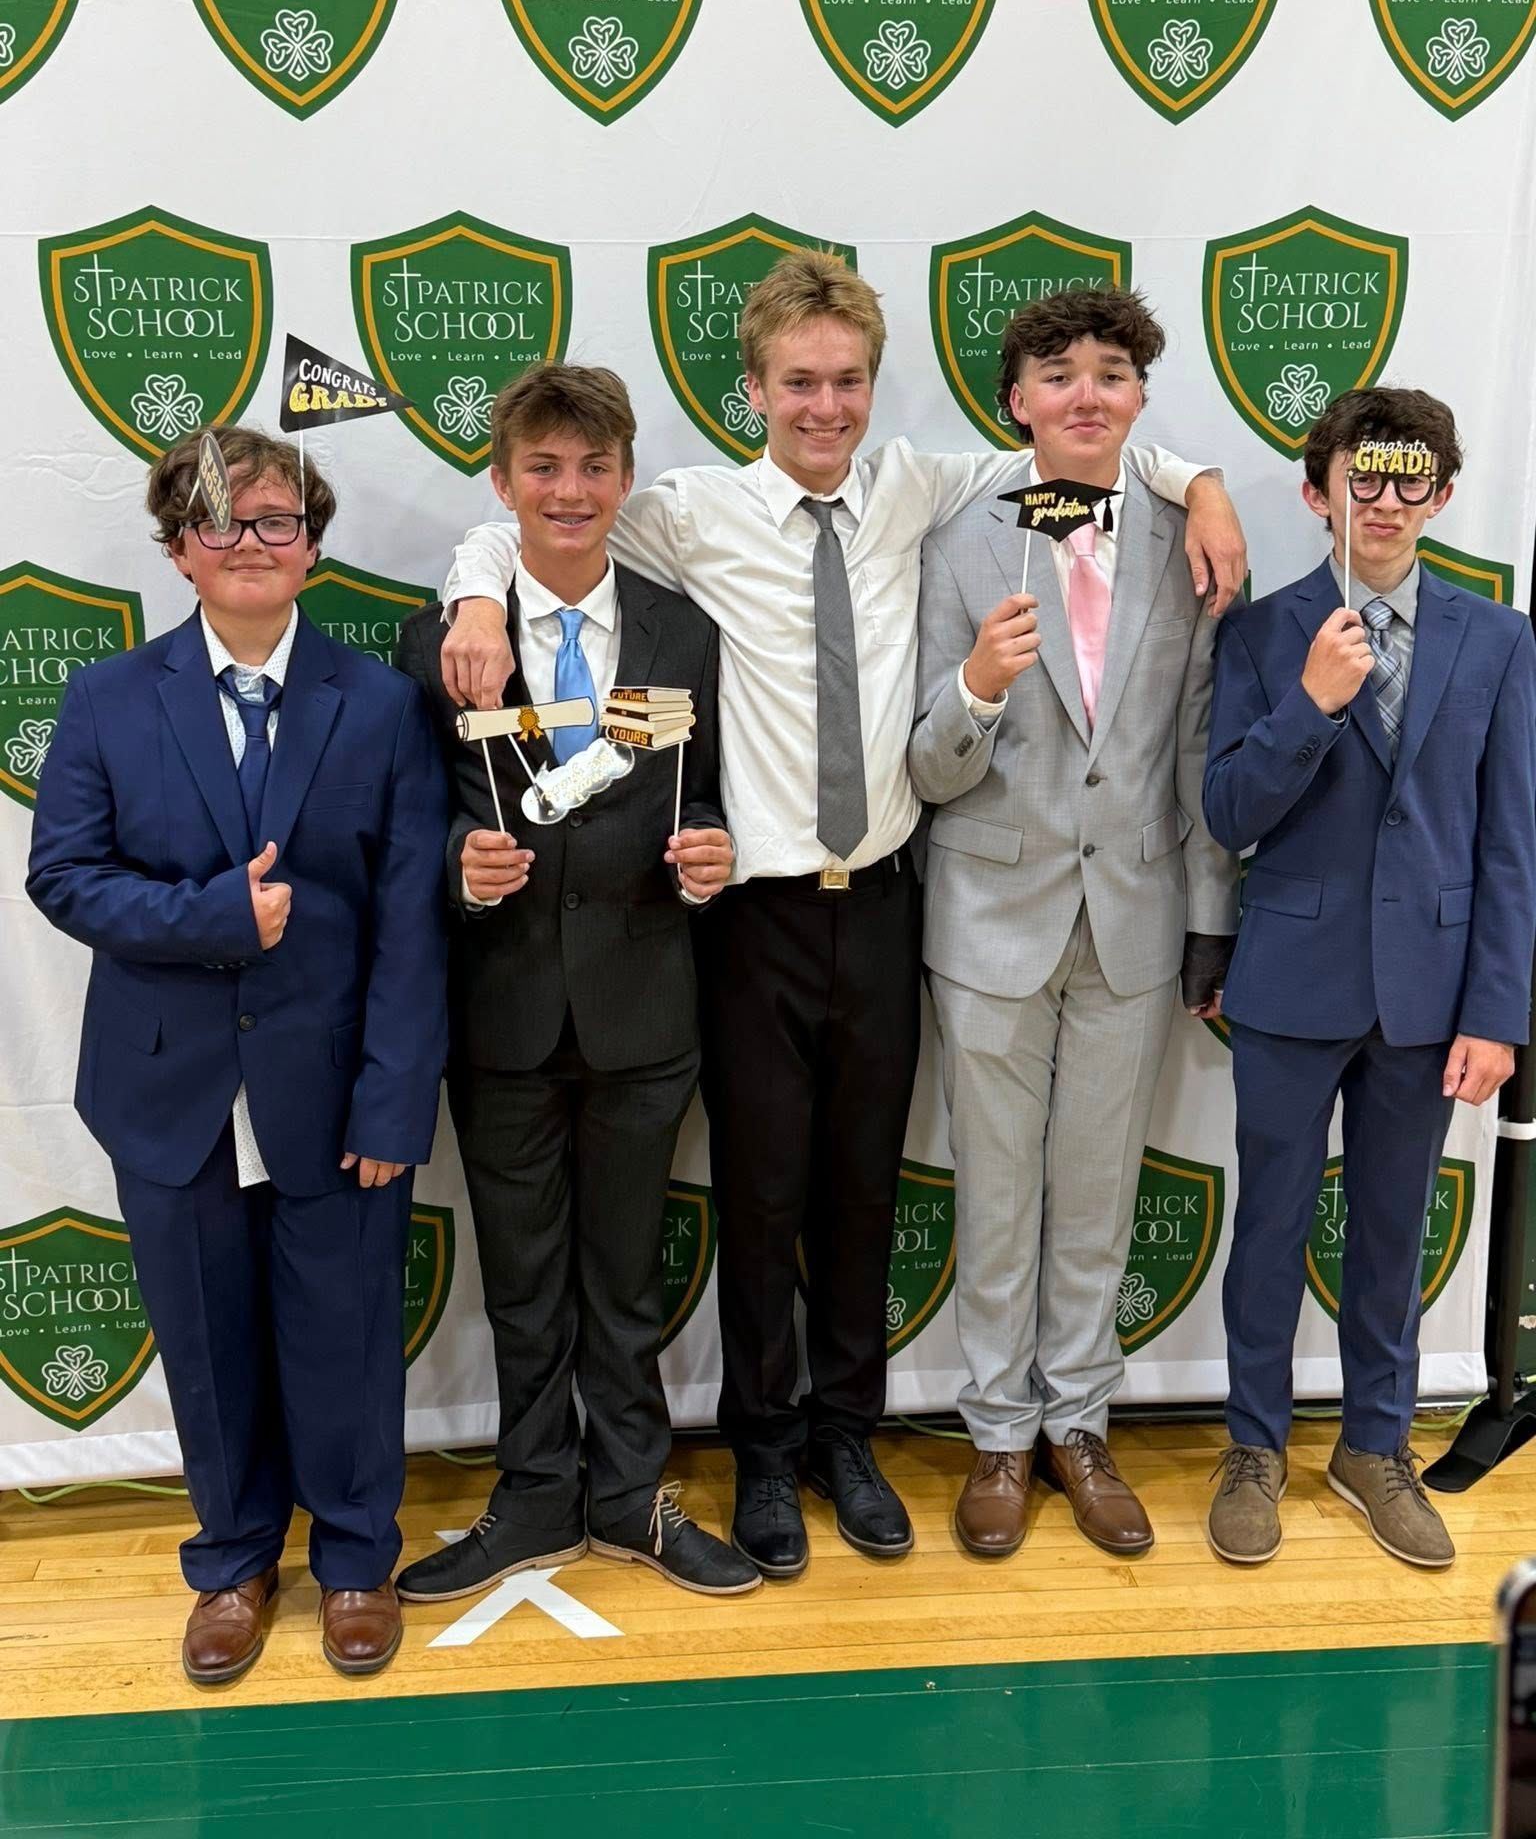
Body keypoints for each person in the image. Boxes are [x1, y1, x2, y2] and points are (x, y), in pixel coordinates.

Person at [435, 252, 1246, 1578]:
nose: (825, 406)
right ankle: (762, 1456)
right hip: (746, 919)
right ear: (751, 387)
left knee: (862, 1195)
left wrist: (1203, 480)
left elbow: (1099, 456)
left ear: (877, 387)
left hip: (884, 903)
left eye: (849, 381)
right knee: (758, 1199)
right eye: (799, 383)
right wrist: (476, 587)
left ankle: (846, 1439)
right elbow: (539, 528)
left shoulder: (929, 488)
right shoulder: (689, 511)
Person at [26, 427, 449, 1684]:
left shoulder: (376, 703)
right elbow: (63, 875)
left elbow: (411, 919)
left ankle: (358, 1555)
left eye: (276, 519)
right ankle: (231, 1561)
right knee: (206, 1342)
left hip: (333, 1088)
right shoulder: (109, 696)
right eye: (222, 524)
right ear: (177, 550)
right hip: (169, 1090)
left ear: (313, 543)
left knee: (346, 1331)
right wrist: (213, 914)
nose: (251, 543)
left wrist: (392, 1096)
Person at [394, 364, 759, 1600]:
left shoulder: (679, 627)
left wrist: (711, 850)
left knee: (627, 1273)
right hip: (500, 1012)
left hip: (645, 1006)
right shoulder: (440, 637)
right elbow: (410, 822)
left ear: (624, 480)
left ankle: (633, 1494)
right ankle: (535, 1493)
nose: (570, 489)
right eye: (542, 467)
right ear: (502, 486)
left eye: (593, 467)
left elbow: (698, 792)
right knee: (524, 1278)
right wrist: (459, 864)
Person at [909, 287, 1239, 1560]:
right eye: (1058, 375)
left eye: (1111, 372)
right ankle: (998, 1431)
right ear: (1017, 404)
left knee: (1096, 1191)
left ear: (1141, 400)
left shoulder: (1187, 532)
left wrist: (1210, 913)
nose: (1085, 393)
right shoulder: (959, 534)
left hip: (1137, 916)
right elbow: (929, 768)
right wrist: (977, 690)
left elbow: (1199, 741)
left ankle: (1080, 1422)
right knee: (997, 1190)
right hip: (989, 912)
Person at [1202, 386, 1536, 1569]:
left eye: (1410, 478)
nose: (1384, 499)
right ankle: (1253, 1445)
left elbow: (1511, 838)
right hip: (1292, 979)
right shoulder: (1259, 630)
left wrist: (1499, 1011)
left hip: (1431, 993)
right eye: (1362, 476)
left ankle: (1375, 1445)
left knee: (1393, 1227)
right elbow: (1229, 808)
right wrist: (1311, 701)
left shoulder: (1497, 636)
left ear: (1440, 496)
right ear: (1318, 492)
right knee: (1272, 1221)